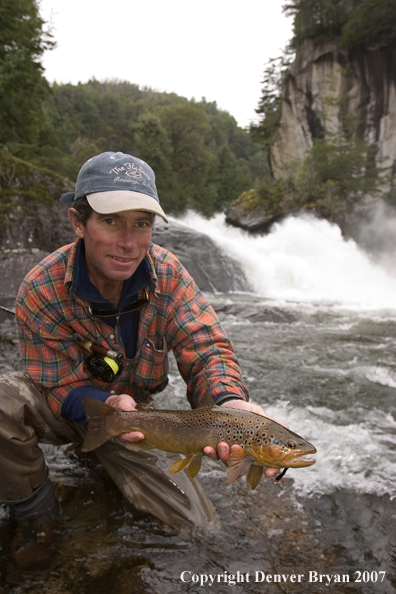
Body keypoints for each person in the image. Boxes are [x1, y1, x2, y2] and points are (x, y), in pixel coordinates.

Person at [0, 151, 279, 581]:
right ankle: (39, 519)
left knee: (199, 527)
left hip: (138, 422)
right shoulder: (41, 286)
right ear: (78, 222)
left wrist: (229, 403)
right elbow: (54, 385)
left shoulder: (168, 273)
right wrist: (103, 403)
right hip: (71, 405)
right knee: (2, 400)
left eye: (142, 223)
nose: (129, 242)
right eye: (111, 221)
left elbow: (204, 348)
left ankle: (102, 454)